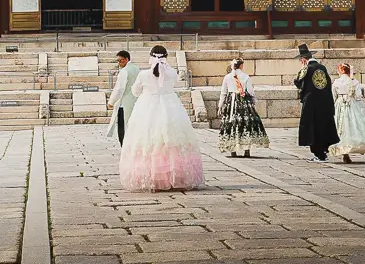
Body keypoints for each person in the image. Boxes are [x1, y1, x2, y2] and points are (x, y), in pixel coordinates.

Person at [119, 45, 204, 192]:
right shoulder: (172, 73)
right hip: (170, 105)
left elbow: (135, 91)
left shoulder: (144, 74)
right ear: (166, 56)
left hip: (147, 106)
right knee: (171, 141)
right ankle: (175, 175)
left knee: (147, 139)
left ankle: (150, 176)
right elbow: (171, 83)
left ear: (151, 56)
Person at [294, 43, 339, 162]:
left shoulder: (306, 68)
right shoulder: (322, 67)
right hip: (324, 102)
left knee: (312, 127)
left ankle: (318, 153)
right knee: (323, 125)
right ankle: (323, 151)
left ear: (303, 60)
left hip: (311, 103)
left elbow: (298, 82)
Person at [218, 58, 270, 157]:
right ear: (241, 66)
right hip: (244, 102)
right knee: (246, 125)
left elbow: (223, 93)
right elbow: (250, 91)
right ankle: (247, 150)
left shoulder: (227, 77)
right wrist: (254, 102)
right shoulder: (246, 77)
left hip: (231, 103)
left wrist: (220, 106)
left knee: (232, 124)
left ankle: (233, 150)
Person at [329, 63, 365, 163]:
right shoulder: (354, 82)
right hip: (351, 104)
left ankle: (344, 152)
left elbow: (333, 96)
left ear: (341, 71)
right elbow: (358, 96)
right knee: (353, 126)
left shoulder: (336, 82)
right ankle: (354, 146)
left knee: (341, 128)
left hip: (340, 104)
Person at [107, 50, 140, 147]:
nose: (119, 63)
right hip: (136, 101)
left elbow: (119, 89)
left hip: (124, 102)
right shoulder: (136, 69)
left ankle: (125, 146)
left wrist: (111, 101)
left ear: (126, 59)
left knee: (123, 125)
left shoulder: (124, 71)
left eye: (120, 60)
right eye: (117, 61)